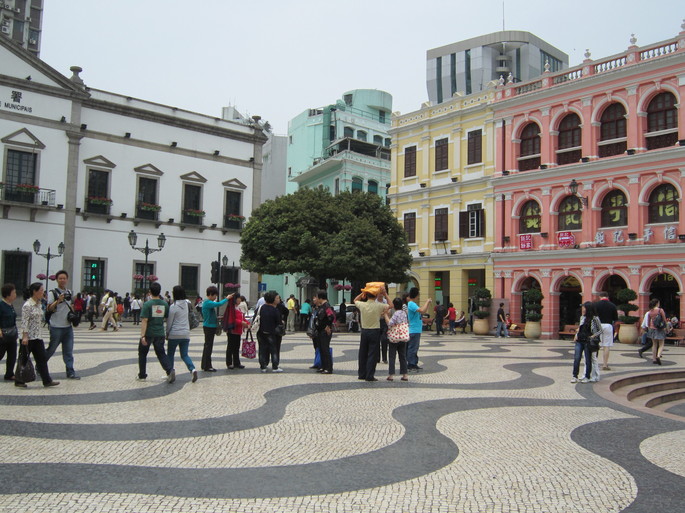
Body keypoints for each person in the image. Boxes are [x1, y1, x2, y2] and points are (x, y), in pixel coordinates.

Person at [17, 282, 59, 388]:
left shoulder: (39, 304)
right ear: (35, 292)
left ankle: (47, 380)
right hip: (28, 337)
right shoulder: (27, 305)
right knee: (24, 359)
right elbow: (24, 322)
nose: (43, 292)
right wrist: (25, 336)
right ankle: (19, 380)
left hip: (37, 336)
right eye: (41, 290)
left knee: (42, 358)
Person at [45, 270, 79, 379]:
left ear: (67, 279)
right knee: (51, 349)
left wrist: (73, 315)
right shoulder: (52, 293)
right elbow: (49, 308)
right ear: (57, 279)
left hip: (67, 326)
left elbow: (70, 306)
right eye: (60, 278)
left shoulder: (69, 292)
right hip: (56, 326)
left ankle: (70, 370)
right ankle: (40, 365)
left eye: (64, 278)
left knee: (68, 351)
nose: (63, 280)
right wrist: (58, 300)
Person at [138, 281, 174, 383]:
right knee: (161, 353)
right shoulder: (165, 304)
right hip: (159, 332)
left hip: (149, 332)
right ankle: (170, 370)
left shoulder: (147, 304)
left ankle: (142, 375)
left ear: (150, 292)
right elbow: (167, 317)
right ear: (159, 292)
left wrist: (142, 335)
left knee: (142, 353)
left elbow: (145, 320)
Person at [353, 286, 391, 382]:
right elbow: (391, 305)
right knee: (372, 354)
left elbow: (355, 300)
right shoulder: (379, 306)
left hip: (364, 331)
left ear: (367, 295)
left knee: (363, 353)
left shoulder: (362, 305)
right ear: (375, 296)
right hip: (374, 331)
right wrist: (385, 294)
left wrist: (363, 293)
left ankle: (361, 374)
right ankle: (370, 375)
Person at [166, 285, 197, 383]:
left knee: (170, 354)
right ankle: (192, 369)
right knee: (184, 355)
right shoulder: (187, 304)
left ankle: (171, 372)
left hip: (174, 334)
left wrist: (167, 332)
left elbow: (170, 322)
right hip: (185, 333)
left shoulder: (173, 306)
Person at [571, 302, 602, 383]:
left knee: (588, 359)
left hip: (588, 341)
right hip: (580, 340)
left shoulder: (595, 318)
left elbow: (600, 330)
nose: (583, 309)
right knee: (577, 358)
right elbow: (580, 328)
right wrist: (576, 335)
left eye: (584, 307)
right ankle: (574, 376)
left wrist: (593, 336)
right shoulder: (582, 317)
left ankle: (587, 376)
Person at [200, 286, 229, 372]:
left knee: (207, 346)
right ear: (211, 294)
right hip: (209, 327)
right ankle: (207, 366)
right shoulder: (207, 302)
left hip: (209, 326)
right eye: (215, 296)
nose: (216, 298)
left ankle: (205, 364)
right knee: (208, 347)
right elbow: (219, 304)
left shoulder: (207, 302)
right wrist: (227, 298)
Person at [256, 290, 284, 372]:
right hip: (272, 333)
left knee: (262, 349)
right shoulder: (275, 310)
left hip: (261, 332)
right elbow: (278, 322)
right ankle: (275, 366)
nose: (278, 300)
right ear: (273, 299)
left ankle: (263, 366)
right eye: (277, 298)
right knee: (274, 350)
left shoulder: (261, 308)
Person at [406, 287, 432, 371]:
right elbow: (422, 311)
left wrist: (427, 303)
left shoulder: (413, 303)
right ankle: (411, 364)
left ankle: (414, 362)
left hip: (416, 329)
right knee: (412, 347)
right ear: (416, 295)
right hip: (414, 329)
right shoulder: (411, 304)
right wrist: (427, 302)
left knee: (414, 347)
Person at [385, 297, 409, 382]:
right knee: (402, 356)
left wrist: (385, 315)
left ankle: (391, 375)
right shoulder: (404, 313)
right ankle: (405, 374)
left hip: (394, 337)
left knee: (392, 356)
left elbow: (390, 323)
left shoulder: (396, 313)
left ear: (394, 306)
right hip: (402, 337)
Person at [593, 291, 618, 371]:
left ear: (600, 296)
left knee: (595, 344)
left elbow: (593, 316)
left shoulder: (596, 305)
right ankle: (605, 364)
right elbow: (615, 318)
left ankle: (594, 363)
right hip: (608, 325)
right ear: (607, 297)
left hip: (598, 325)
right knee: (606, 346)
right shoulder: (612, 305)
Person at [312, 290, 336, 374]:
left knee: (325, 349)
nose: (316, 299)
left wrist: (328, 326)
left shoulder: (327, 306)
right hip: (319, 330)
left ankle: (328, 368)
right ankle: (323, 366)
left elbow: (331, 316)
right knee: (321, 349)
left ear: (321, 298)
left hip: (324, 331)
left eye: (317, 297)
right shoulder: (321, 306)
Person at [0, 283, 18, 381]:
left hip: (12, 334)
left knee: (12, 355)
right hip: (3, 334)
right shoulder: (1, 305)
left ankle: (9, 374)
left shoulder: (10, 305)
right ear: (8, 294)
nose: (15, 294)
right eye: (13, 293)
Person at [225, 295, 248, 370]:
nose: (240, 299)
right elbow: (232, 319)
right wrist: (241, 322)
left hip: (238, 331)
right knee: (231, 347)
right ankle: (229, 363)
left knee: (236, 347)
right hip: (232, 330)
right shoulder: (231, 308)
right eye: (238, 298)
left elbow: (242, 317)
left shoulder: (238, 308)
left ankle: (236, 362)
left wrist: (247, 323)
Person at [646, 298, 667, 365]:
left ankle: (654, 359)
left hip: (652, 329)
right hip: (659, 329)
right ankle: (658, 356)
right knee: (661, 344)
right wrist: (666, 327)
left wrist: (649, 328)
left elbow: (648, 321)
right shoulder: (660, 310)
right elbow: (664, 319)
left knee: (654, 344)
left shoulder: (650, 311)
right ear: (657, 303)